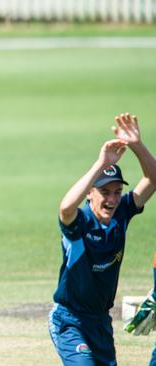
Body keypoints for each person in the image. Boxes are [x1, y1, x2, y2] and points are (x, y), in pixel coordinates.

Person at [48, 113, 156, 365]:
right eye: (104, 192)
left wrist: (137, 145)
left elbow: (152, 180)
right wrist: (101, 163)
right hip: (69, 321)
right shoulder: (80, 223)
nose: (112, 199)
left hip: (100, 321)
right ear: (90, 194)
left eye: (117, 192)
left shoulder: (121, 214)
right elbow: (65, 208)